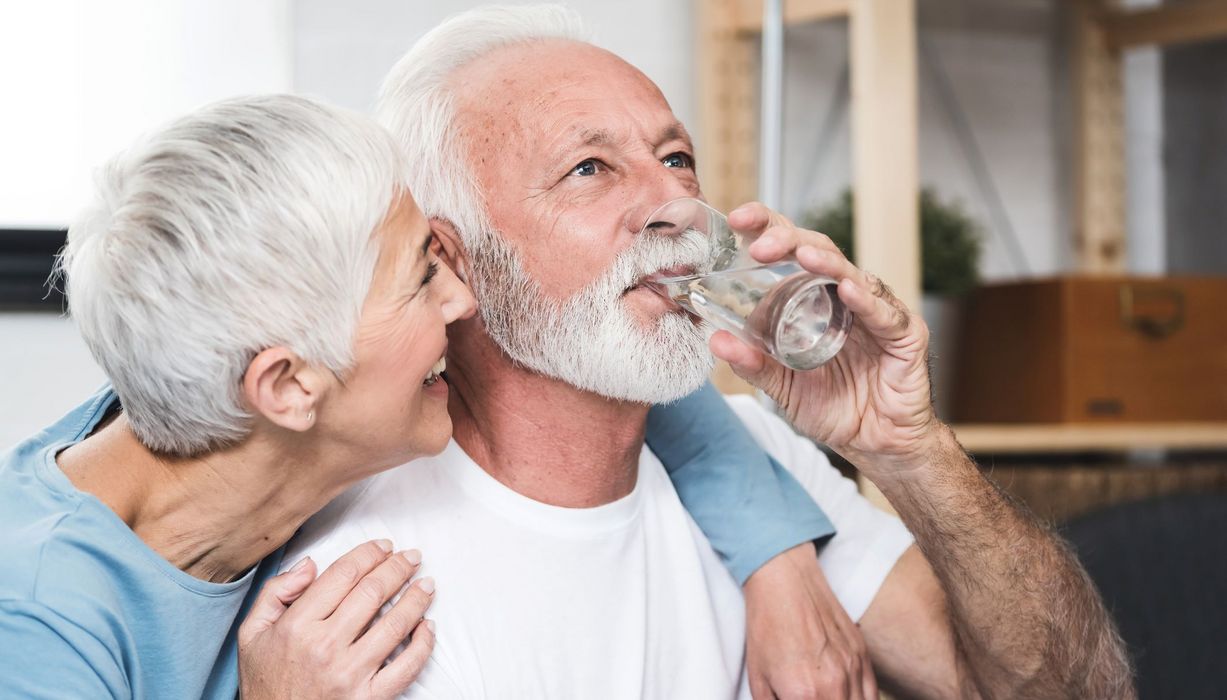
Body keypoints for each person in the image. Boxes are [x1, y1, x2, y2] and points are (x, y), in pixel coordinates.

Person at [286, 5, 1135, 699]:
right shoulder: (367, 594)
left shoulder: (759, 462)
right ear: (457, 259)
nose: (672, 203)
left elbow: (1066, 692)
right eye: (589, 169)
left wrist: (910, 452)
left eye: (676, 157)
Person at [0, 93, 843, 698]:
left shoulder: (210, 413)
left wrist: (775, 559)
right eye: (421, 279)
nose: (462, 302)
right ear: (289, 386)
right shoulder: (35, 628)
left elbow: (614, 371)